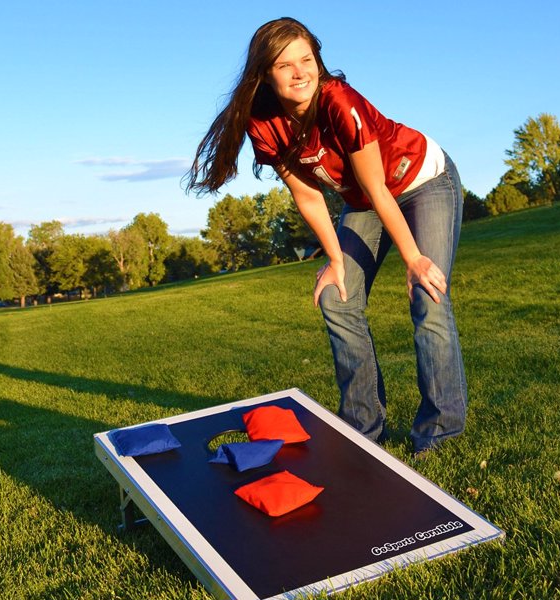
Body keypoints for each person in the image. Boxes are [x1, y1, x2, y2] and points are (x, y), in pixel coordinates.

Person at [186, 17, 467, 455]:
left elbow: (379, 188)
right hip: (363, 202)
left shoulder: (340, 102)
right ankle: (363, 426)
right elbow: (308, 195)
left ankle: (441, 432)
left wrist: (413, 259)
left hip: (421, 180)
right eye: (285, 65)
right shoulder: (262, 123)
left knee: (427, 295)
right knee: (338, 297)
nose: (300, 72)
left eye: (307, 59)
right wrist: (336, 261)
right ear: (265, 74)